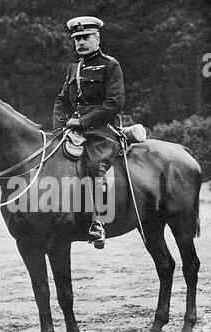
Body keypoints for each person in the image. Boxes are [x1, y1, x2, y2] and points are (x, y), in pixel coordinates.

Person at [53, 16, 125, 248]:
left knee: (94, 165)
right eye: (77, 39)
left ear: (97, 38)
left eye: (86, 38)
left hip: (103, 132)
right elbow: (62, 101)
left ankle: (98, 222)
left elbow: (114, 104)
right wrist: (60, 126)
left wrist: (81, 122)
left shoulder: (110, 65)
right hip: (73, 131)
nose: (81, 42)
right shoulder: (73, 68)